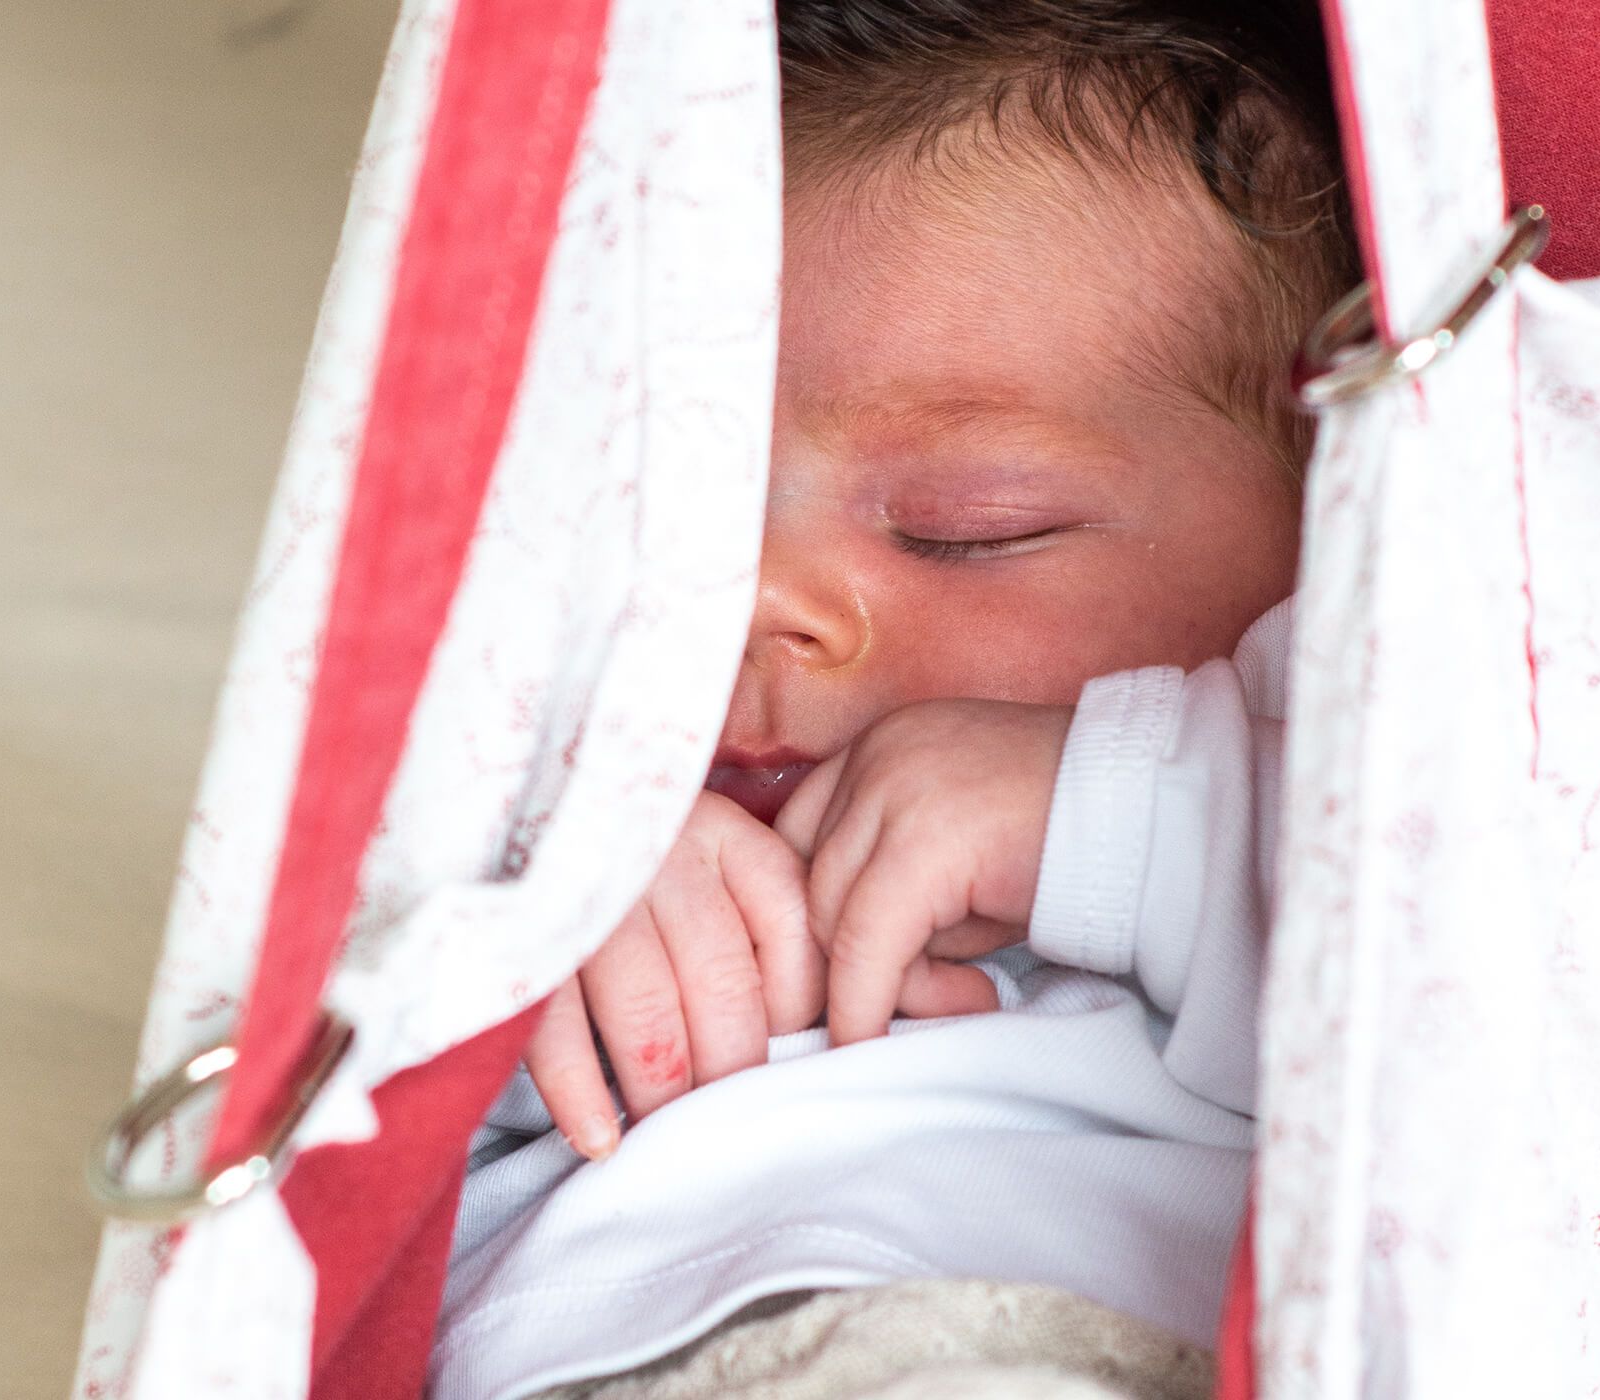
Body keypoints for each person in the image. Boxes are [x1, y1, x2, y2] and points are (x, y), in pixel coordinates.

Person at [436, 4, 1353, 1395]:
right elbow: (319, 1128)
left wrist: (1112, 807)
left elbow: (1513, 968)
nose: (754, 602)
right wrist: (535, 929)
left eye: (962, 529)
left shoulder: (1345, 765)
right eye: (642, 522)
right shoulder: (522, 783)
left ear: (1331, 517)